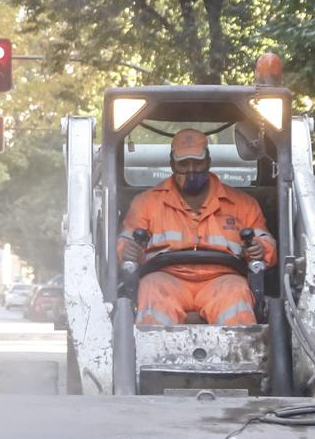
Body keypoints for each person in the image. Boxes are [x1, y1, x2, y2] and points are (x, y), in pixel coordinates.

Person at [117, 128, 275, 327]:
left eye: (197, 162)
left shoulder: (243, 204)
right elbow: (125, 242)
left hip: (223, 279)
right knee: (151, 292)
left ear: (208, 161)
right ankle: (151, 357)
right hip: (165, 278)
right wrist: (128, 250)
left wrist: (260, 248)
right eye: (184, 163)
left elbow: (266, 241)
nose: (191, 170)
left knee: (236, 295)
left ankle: (241, 355)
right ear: (172, 163)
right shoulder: (146, 203)